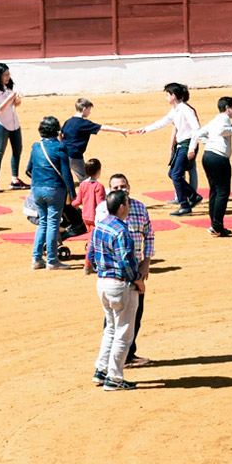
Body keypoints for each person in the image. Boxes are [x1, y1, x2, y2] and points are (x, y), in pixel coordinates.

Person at [87, 190, 145, 391]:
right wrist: (138, 281)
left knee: (111, 328)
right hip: (120, 284)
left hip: (102, 282)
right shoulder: (121, 230)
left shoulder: (99, 227)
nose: (129, 207)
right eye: (127, 204)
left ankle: (101, 370)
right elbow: (126, 263)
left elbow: (92, 256)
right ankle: (115, 378)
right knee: (123, 333)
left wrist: (104, 270)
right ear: (121, 207)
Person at [94, 174, 154, 367]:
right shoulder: (106, 213)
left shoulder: (139, 207)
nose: (120, 191)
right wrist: (137, 280)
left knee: (131, 317)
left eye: (123, 187)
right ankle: (116, 367)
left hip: (127, 270)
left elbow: (149, 234)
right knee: (118, 323)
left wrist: (147, 260)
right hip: (122, 273)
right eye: (116, 188)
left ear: (129, 187)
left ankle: (120, 358)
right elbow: (120, 258)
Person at [132, 83, 202, 216]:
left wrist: (192, 147)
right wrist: (145, 129)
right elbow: (163, 122)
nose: (166, 98)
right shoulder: (176, 109)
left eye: (167, 95)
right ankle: (193, 196)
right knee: (173, 174)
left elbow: (196, 129)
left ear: (173, 96)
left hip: (187, 144)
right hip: (182, 144)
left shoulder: (186, 109)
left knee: (175, 174)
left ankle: (185, 204)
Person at [27, 116, 77, 270]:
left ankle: (36, 259)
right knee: (53, 224)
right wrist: (73, 194)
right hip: (54, 189)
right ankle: (52, 260)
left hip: (36, 189)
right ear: (57, 131)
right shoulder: (60, 148)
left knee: (43, 222)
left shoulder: (36, 147)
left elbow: (28, 170)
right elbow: (66, 174)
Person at [195, 96, 232, 237]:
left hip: (208, 156)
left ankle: (214, 223)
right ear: (227, 108)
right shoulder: (225, 119)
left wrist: (209, 144)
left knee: (214, 190)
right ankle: (217, 225)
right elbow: (222, 131)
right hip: (219, 158)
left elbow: (199, 134)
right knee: (223, 192)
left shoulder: (215, 119)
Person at [60, 98, 125, 182]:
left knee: (63, 176)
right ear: (84, 109)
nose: (89, 112)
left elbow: (59, 133)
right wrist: (121, 130)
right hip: (74, 155)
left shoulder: (68, 122)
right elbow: (104, 128)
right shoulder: (84, 123)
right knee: (85, 179)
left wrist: (61, 145)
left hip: (63, 153)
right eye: (89, 110)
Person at [0, 63, 29, 193]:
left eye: (8, 74)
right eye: (5, 75)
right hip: (0, 123)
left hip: (13, 122)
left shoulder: (9, 87)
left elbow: (13, 106)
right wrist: (11, 97)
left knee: (17, 150)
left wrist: (17, 100)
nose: (7, 77)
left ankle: (15, 179)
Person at [71, 158, 105, 274]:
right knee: (93, 241)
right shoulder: (99, 186)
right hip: (96, 218)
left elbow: (78, 201)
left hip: (86, 217)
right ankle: (87, 265)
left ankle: (91, 264)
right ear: (99, 171)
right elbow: (100, 203)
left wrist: (71, 203)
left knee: (91, 239)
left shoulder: (83, 185)